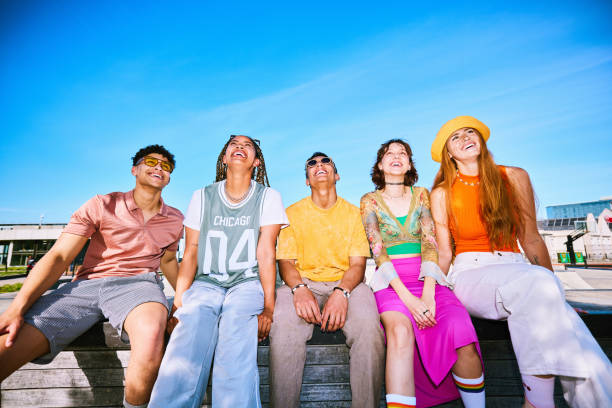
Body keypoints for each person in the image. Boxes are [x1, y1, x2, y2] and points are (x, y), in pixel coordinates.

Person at [429, 115, 612, 408]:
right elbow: (445, 253)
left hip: (519, 269)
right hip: (471, 272)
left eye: (470, 132)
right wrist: (431, 293)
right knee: (541, 291)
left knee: (547, 300)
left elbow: (530, 239)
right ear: (448, 154)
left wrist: (556, 292)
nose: (465, 138)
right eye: (456, 137)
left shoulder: (514, 176)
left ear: (482, 140)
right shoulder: (441, 193)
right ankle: (538, 402)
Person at [0, 145, 184, 408]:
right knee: (10, 340)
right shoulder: (102, 204)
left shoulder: (176, 219)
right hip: (86, 286)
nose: (159, 168)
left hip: (139, 286)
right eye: (152, 162)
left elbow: (168, 260)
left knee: (152, 333)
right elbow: (59, 256)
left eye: (166, 166)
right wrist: (17, 307)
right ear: (135, 169)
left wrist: (184, 304)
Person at [149, 135, 288, 408]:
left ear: (256, 162)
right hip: (207, 283)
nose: (239, 147)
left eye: (247, 145)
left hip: (247, 283)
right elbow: (190, 254)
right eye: (233, 144)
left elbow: (266, 252)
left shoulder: (268, 197)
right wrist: (178, 304)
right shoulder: (202, 196)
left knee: (236, 334)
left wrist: (269, 308)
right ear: (224, 158)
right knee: (188, 333)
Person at [360, 139, 485, 408]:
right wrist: (410, 300)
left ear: (409, 164)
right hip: (392, 283)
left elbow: (431, 243)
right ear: (380, 165)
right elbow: (377, 250)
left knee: (461, 331)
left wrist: (428, 294)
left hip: (429, 278)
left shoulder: (422, 195)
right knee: (400, 332)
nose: (396, 156)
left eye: (402, 153)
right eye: (389, 154)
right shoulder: (369, 200)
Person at [269, 152, 386, 408]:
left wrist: (341, 292)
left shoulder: (355, 214)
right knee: (285, 326)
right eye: (311, 164)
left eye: (326, 162)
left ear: (336, 175)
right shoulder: (291, 213)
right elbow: (285, 263)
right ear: (307, 180)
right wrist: (298, 288)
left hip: (348, 284)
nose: (319, 166)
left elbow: (357, 265)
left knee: (369, 327)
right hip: (303, 282)